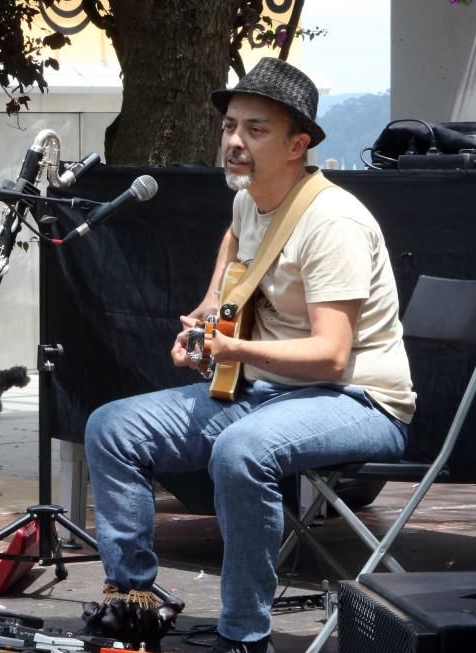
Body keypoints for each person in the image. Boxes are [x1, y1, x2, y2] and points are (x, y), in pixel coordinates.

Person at [81, 58, 415, 653]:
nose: (235, 141)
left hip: (360, 400)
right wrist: (211, 310)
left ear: (298, 144)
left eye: (256, 130)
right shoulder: (246, 201)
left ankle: (244, 637)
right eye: (231, 125)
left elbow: (333, 357)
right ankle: (132, 604)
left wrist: (232, 346)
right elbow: (237, 243)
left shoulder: (333, 222)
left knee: (243, 450)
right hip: (267, 392)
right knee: (112, 428)